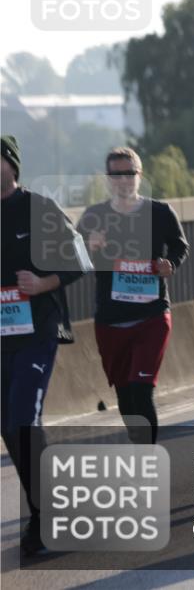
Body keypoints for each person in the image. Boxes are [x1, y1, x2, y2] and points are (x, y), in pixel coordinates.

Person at [2, 134, 87, 555]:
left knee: (23, 416)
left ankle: (44, 516)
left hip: (37, 332)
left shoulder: (38, 208)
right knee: (8, 427)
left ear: (11, 166)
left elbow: (79, 260)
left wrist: (42, 282)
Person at [77, 147, 189, 445]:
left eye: (129, 173)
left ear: (139, 176)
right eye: (116, 175)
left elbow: (180, 247)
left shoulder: (160, 212)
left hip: (151, 314)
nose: (122, 180)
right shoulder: (94, 215)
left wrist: (170, 264)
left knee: (141, 389)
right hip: (111, 320)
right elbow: (72, 259)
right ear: (108, 179)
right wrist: (91, 246)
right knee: (125, 397)